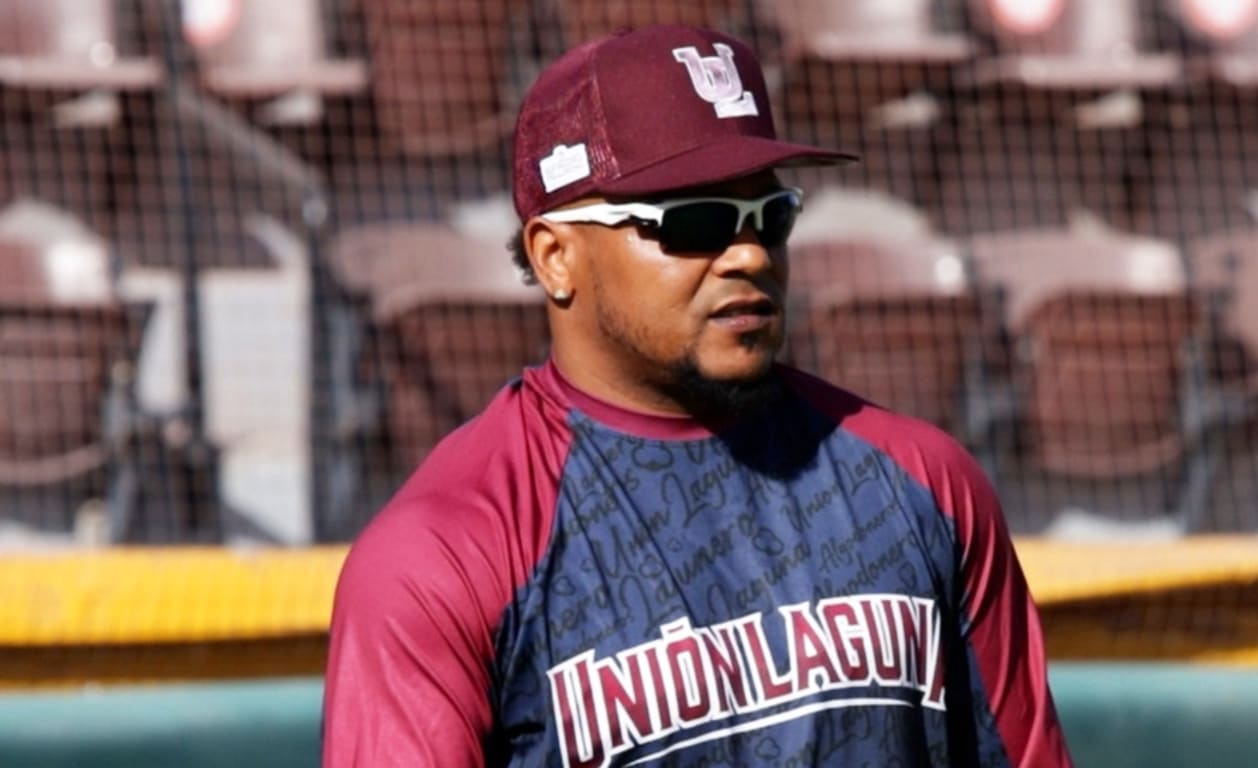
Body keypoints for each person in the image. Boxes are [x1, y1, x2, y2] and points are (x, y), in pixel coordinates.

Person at [323, 23, 1072, 768]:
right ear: (556, 256)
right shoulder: (442, 554)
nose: (748, 253)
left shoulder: (924, 482)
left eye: (769, 216)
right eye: (696, 222)